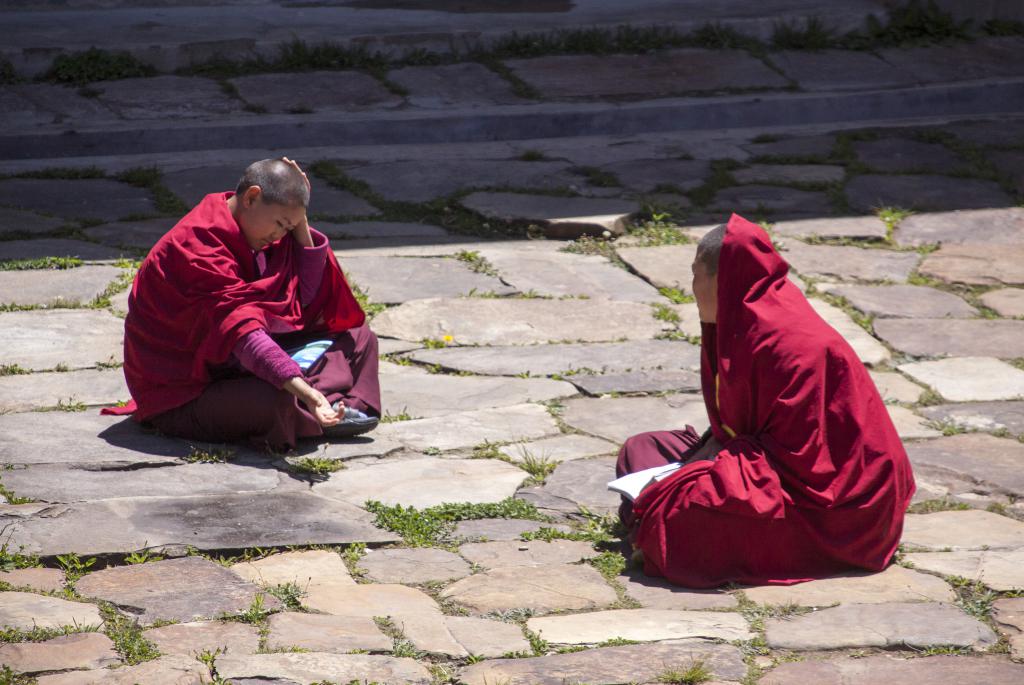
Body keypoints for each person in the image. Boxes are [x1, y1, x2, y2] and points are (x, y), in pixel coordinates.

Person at [615, 214, 915, 588]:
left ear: (720, 280)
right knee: (642, 449)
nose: (690, 287)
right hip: (766, 465)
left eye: (695, 274)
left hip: (838, 512)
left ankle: (659, 524)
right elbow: (739, 428)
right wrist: (704, 459)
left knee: (682, 515)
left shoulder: (792, 344)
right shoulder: (740, 324)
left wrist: (703, 470)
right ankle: (656, 515)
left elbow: (801, 465)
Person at [104, 158, 380, 451]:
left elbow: (307, 301)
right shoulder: (195, 248)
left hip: (236, 367)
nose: (280, 235)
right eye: (280, 224)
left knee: (358, 336)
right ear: (251, 197)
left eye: (289, 228)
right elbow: (244, 337)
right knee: (272, 399)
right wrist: (308, 393)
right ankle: (317, 407)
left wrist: (299, 219)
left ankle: (338, 409)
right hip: (185, 392)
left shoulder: (259, 231)